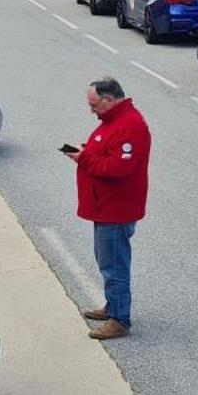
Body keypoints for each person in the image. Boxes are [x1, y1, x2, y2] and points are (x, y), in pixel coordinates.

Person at [66, 78, 151, 340]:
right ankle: (113, 305)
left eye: (94, 105)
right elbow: (108, 153)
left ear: (109, 99)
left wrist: (85, 158)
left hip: (115, 210)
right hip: (105, 207)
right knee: (108, 262)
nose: (92, 111)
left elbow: (119, 168)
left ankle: (119, 320)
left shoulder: (130, 126)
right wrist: (88, 152)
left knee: (114, 266)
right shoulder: (114, 121)